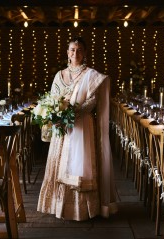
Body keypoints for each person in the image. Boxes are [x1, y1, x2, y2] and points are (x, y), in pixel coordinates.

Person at [37, 36, 118, 221]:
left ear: (85, 53)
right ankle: (60, 207)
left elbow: (93, 101)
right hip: (63, 129)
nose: (76, 53)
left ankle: (84, 209)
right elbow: (53, 98)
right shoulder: (59, 75)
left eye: (80, 49)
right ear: (67, 52)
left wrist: (73, 112)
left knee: (82, 167)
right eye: (72, 49)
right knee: (60, 165)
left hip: (83, 126)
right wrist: (57, 113)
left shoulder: (91, 75)